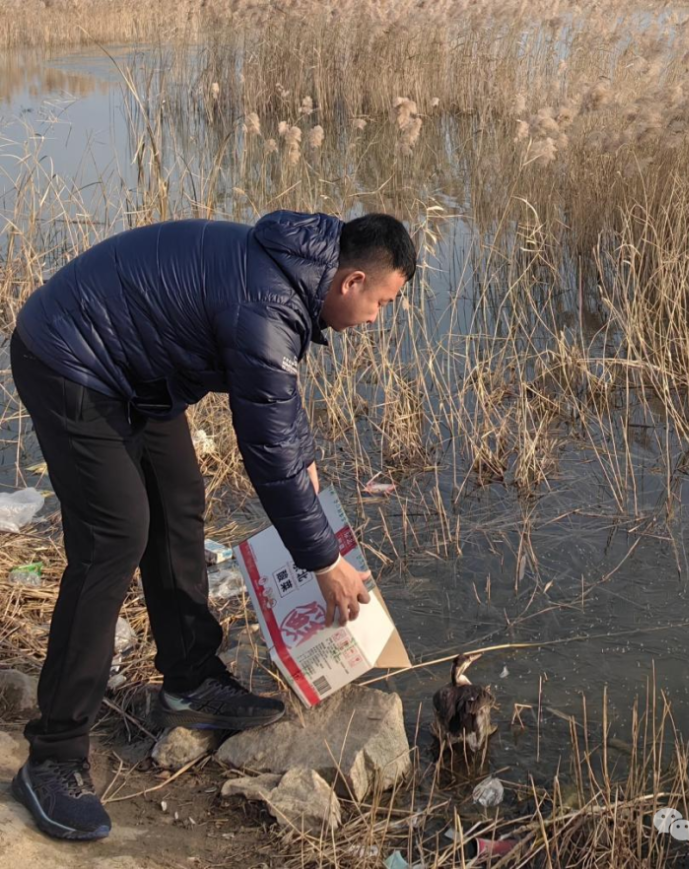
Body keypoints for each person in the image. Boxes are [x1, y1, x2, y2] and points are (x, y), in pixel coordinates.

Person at [8, 210, 416, 841]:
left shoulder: (289, 279)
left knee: (179, 502)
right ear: (351, 281)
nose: (376, 319)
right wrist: (325, 562)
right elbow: (265, 452)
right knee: (117, 535)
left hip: (133, 373)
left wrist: (304, 460)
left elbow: (277, 407)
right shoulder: (269, 303)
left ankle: (191, 681)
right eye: (381, 302)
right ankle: (53, 758)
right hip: (69, 357)